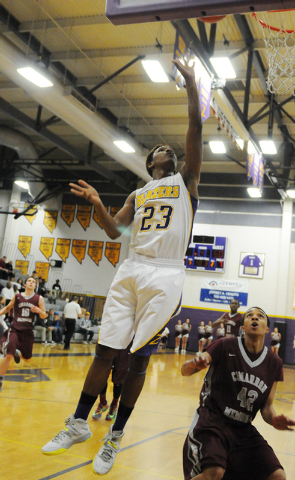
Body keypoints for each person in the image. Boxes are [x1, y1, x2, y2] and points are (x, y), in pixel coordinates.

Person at [42, 58, 203, 476]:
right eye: (159, 150)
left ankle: (115, 436)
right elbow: (114, 233)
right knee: (104, 350)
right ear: (150, 163)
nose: (166, 149)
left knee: (140, 360)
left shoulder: (186, 182)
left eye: (171, 148)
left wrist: (191, 87)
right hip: (132, 267)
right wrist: (97, 206)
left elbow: (195, 132)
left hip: (166, 271)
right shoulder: (138, 193)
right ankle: (78, 422)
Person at [181, 306, 295, 480]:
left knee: (278, 476)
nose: (254, 318)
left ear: (267, 329)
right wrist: (193, 365)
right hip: (212, 421)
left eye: (260, 316)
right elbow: (185, 371)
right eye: (249, 316)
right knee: (215, 473)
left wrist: (273, 419)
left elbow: (267, 406)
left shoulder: (275, 362)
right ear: (243, 327)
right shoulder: (225, 345)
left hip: (243, 430)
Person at [0, 276, 47, 391]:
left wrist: (39, 311)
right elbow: (7, 308)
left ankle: (17, 352)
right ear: (25, 284)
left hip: (27, 332)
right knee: (9, 355)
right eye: (29, 281)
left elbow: (44, 315)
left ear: (35, 286)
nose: (31, 283)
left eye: (33, 282)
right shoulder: (17, 296)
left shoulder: (39, 298)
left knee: (27, 359)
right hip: (15, 329)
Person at [92, 345, 131, 422]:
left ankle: (114, 404)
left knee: (119, 380)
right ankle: (103, 403)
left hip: (125, 346)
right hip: (109, 342)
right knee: (101, 376)